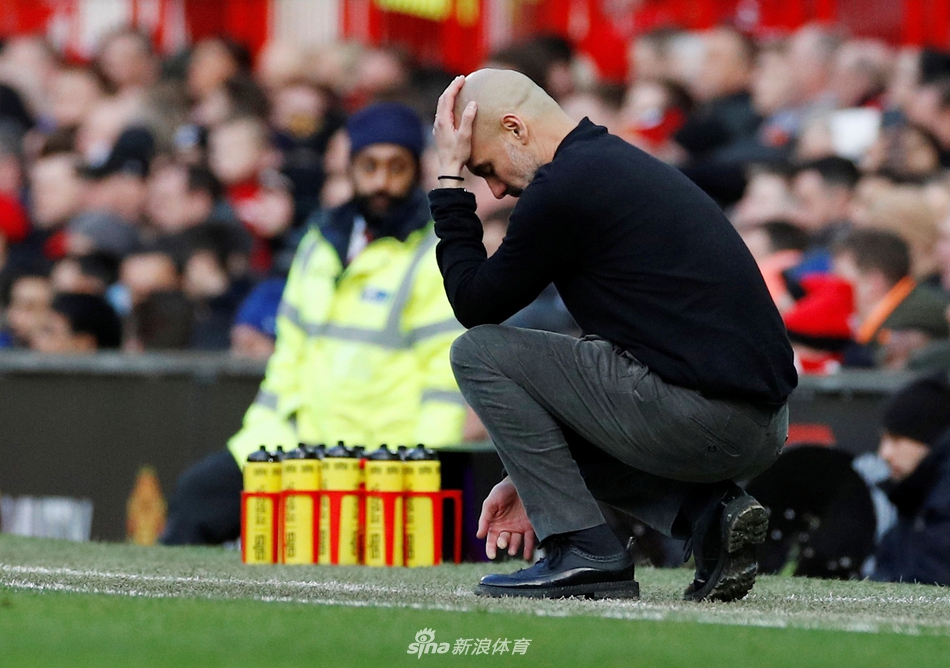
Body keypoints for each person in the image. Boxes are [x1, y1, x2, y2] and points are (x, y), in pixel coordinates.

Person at [429, 70, 796, 601]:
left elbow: (474, 304)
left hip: (705, 417)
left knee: (481, 353)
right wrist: (533, 478)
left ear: (515, 128)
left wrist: (447, 183)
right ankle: (708, 514)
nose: (496, 189)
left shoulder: (562, 189)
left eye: (484, 167)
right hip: (760, 422)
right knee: (593, 352)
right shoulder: (612, 164)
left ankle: (583, 551)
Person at [161, 102, 474, 545]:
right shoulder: (319, 239)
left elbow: (443, 375)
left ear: (416, 170)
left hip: (381, 465)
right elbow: (289, 354)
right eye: (370, 166)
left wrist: (423, 470)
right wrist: (262, 440)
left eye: (396, 167)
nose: (382, 181)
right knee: (196, 499)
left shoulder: (433, 253)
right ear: (349, 167)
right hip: (299, 444)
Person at [871, 373, 950, 586]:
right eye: (884, 440)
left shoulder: (940, 502)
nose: (884, 453)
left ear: (929, 441)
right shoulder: (915, 495)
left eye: (897, 440)